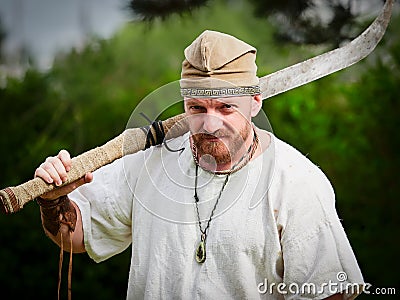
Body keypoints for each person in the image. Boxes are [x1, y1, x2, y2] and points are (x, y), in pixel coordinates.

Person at [35, 30, 364, 299]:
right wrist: (53, 201)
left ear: (255, 103)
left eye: (225, 107)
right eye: (197, 108)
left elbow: (328, 292)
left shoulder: (296, 181)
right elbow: (75, 235)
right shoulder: (148, 162)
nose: (210, 124)